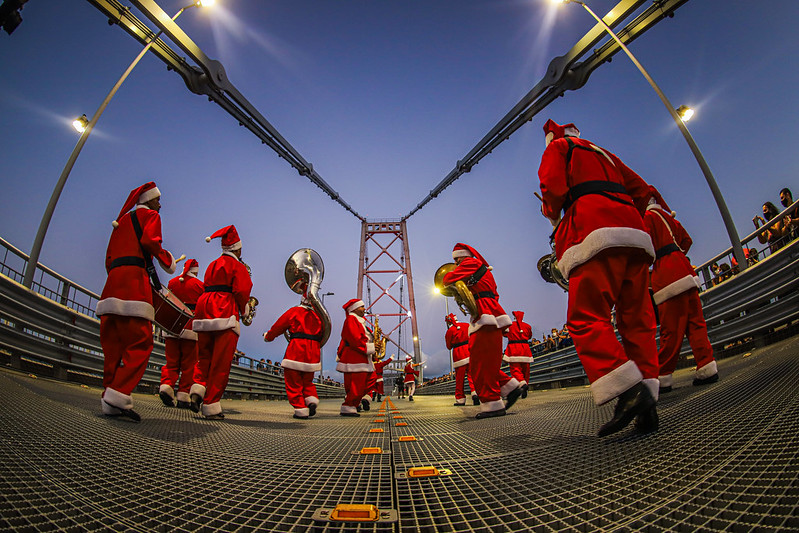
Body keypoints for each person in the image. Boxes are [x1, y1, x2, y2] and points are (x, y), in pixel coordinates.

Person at [537, 119, 659, 436]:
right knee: (637, 320)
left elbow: (552, 188)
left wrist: (551, 211)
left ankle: (630, 392)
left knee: (585, 317)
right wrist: (626, 211)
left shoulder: (558, 147)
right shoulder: (605, 153)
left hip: (594, 231)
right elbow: (644, 191)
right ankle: (648, 409)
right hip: (634, 232)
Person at [96, 181, 177, 421]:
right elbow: (151, 242)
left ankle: (108, 400)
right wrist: (168, 260)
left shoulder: (120, 222)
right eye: (158, 199)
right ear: (148, 200)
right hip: (134, 284)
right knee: (140, 342)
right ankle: (119, 393)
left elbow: (108, 257)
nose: (160, 204)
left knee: (112, 347)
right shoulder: (150, 216)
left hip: (112, 283)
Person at [642, 186, 718, 393]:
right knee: (696, 324)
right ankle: (707, 366)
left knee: (670, 330)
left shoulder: (647, 218)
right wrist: (677, 255)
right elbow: (687, 240)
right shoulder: (670, 219)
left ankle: (663, 376)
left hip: (667, 276)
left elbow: (644, 245)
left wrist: (655, 261)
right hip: (684, 269)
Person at [442, 243, 522, 419]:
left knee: (480, 362)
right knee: (484, 360)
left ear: (465, 256)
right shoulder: (480, 271)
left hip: (486, 315)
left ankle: (493, 405)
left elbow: (447, 279)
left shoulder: (471, 263)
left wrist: (456, 282)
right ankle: (510, 386)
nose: (456, 263)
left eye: (457, 259)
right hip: (488, 313)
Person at [189, 225, 253, 420]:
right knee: (221, 362)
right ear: (238, 248)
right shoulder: (238, 266)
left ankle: (198, 389)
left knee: (204, 356)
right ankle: (211, 405)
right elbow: (242, 291)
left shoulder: (212, 264)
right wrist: (245, 310)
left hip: (204, 309)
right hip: (224, 310)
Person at [263, 294, 324, 419]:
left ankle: (300, 409)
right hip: (313, 353)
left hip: (296, 350)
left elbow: (279, 326)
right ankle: (311, 400)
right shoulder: (319, 316)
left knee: (293, 382)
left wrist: (268, 336)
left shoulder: (295, 311)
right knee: (307, 381)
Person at [159, 258, 204, 409]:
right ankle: (183, 394)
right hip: (190, 326)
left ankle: (166, 385)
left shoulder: (172, 283)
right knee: (188, 364)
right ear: (196, 271)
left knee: (171, 361)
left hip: (172, 325)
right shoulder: (200, 285)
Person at [336, 299, 378, 416]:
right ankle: (349, 405)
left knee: (369, 380)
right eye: (362, 307)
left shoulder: (360, 322)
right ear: (354, 308)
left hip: (363, 358)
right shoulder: (351, 320)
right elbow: (354, 339)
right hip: (355, 357)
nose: (365, 309)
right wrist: (371, 347)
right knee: (356, 384)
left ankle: (353, 402)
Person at [445, 313, 479, 406]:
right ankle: (475, 392)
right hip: (469, 351)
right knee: (472, 375)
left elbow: (448, 346)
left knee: (459, 379)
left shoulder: (450, 331)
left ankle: (460, 399)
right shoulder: (466, 325)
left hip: (458, 354)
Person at [503, 311, 534, 398]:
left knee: (515, 369)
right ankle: (525, 384)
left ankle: (522, 383)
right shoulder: (527, 326)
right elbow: (529, 336)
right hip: (525, 349)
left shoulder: (510, 325)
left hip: (514, 349)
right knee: (526, 370)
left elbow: (504, 334)